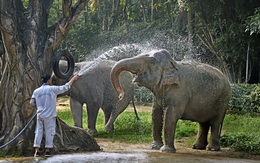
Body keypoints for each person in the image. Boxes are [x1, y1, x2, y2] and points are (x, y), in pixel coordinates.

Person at [30, 74, 79, 157]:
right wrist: (74, 79)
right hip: (49, 116)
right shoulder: (52, 89)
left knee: (38, 132)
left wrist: (39, 106)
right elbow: (66, 87)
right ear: (49, 80)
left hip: (40, 115)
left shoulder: (36, 91)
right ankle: (48, 151)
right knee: (49, 132)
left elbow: (31, 103)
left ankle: (37, 151)